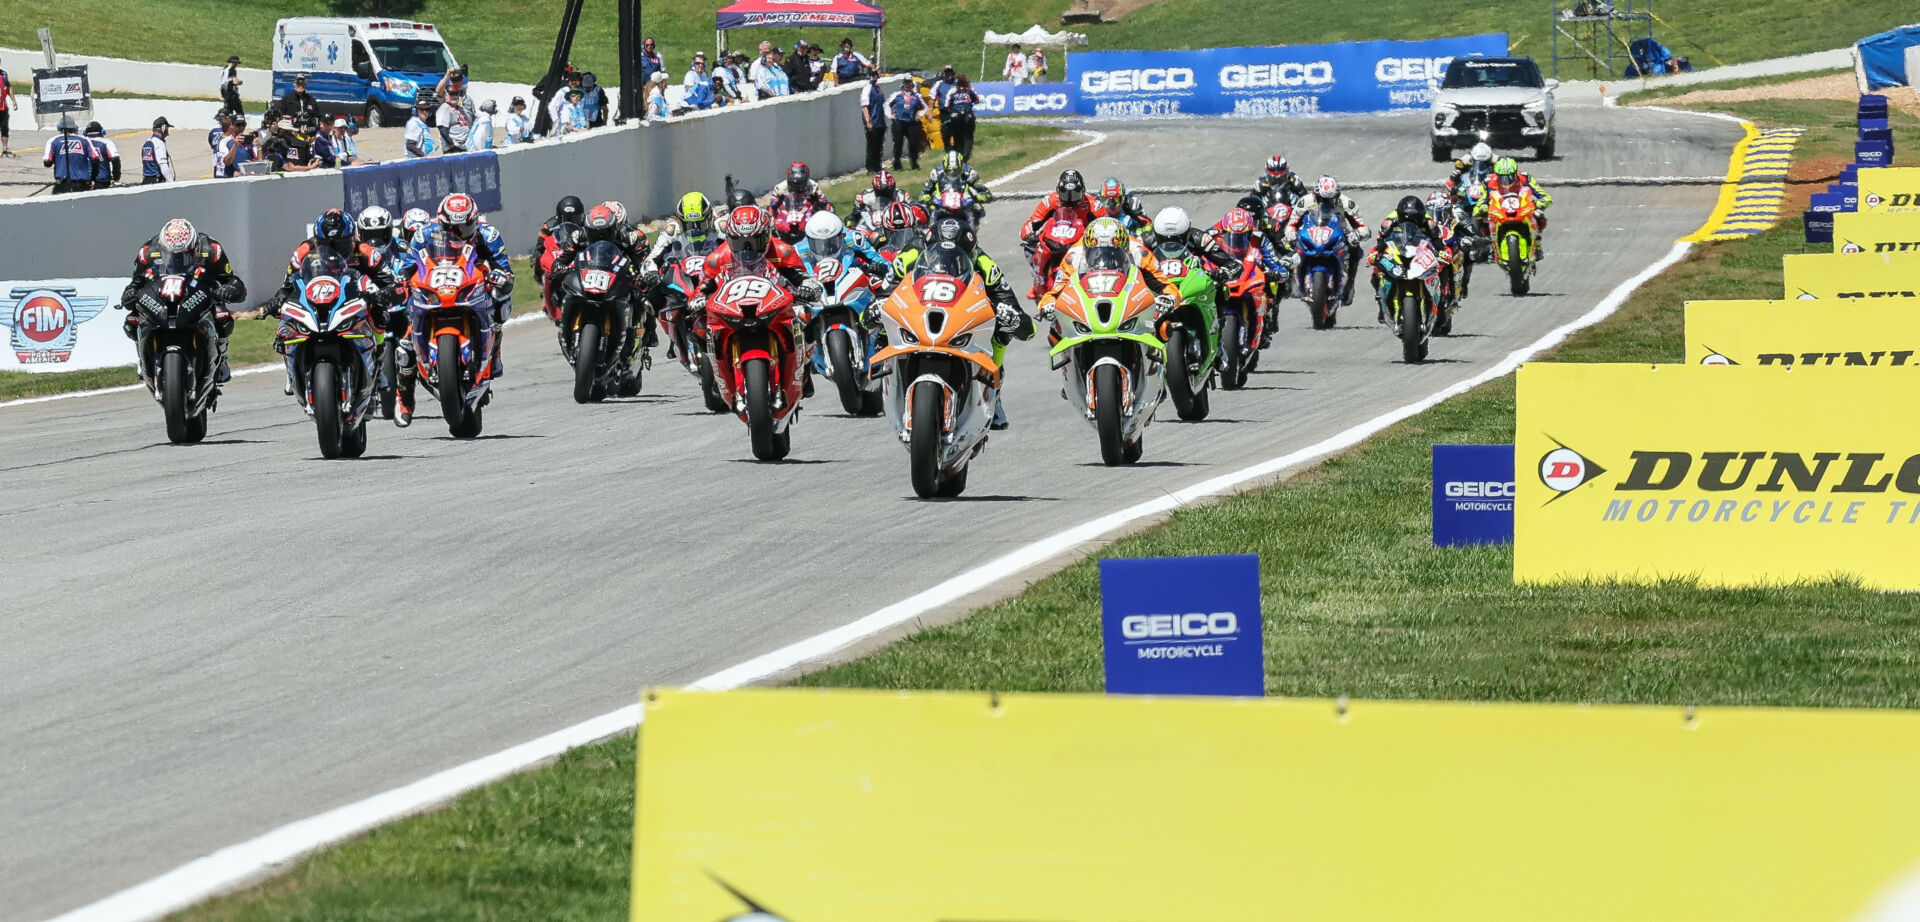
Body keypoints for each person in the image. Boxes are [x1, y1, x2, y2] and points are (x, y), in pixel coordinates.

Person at [885, 217, 1034, 428]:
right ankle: (887, 378)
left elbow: (1020, 317)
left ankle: (993, 389)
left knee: (1002, 328)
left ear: (972, 252)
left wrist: (1011, 316)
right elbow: (886, 287)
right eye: (938, 255)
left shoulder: (984, 263)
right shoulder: (911, 253)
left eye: (958, 256)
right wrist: (878, 305)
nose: (946, 261)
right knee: (881, 320)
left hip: (962, 316)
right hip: (921, 311)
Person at [121, 219, 247, 383]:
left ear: (194, 246)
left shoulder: (211, 249)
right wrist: (130, 292)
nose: (178, 259)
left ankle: (221, 356)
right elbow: (137, 280)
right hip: (162, 295)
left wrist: (230, 289)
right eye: (172, 255)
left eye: (184, 255)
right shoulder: (147, 251)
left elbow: (230, 279)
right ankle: (142, 357)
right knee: (132, 319)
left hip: (198, 293)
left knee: (223, 316)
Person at [1018, 169, 1108, 297]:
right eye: (1065, 195)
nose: (1070, 200)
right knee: (1031, 248)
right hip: (1055, 238)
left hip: (1082, 243)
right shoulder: (1050, 201)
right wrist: (1029, 234)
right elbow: (1032, 222)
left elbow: (1108, 225)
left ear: (1082, 191)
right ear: (1059, 191)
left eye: (1075, 195)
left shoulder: (1093, 204)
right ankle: (1039, 283)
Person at [1285, 174, 1371, 306]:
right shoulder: (1305, 202)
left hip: (1339, 234)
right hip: (1312, 233)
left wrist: (1357, 234)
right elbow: (1292, 224)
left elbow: (1362, 226)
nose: (1327, 202)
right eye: (1323, 199)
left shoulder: (1346, 203)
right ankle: (1295, 280)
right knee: (1290, 247)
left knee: (1356, 250)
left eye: (1331, 199)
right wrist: (1291, 234)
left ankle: (1349, 285)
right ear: (1316, 194)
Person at [1482, 156, 1553, 259]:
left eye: (1510, 176)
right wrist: (1482, 207)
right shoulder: (1489, 182)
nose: (1506, 180)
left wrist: (1540, 204)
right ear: (1497, 175)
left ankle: (1537, 243)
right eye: (1502, 177)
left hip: (1521, 205)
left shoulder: (1525, 178)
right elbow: (1482, 200)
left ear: (1515, 173)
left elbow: (1544, 195)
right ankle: (1492, 246)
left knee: (1539, 215)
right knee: (1482, 219)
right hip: (1500, 207)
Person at [43, 115, 99, 195]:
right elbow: (95, 159)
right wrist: (93, 179)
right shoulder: (84, 140)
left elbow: (47, 163)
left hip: (62, 184)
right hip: (82, 184)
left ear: (60, 128)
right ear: (74, 127)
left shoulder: (53, 140)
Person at [887, 79, 926, 171]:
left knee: (913, 144)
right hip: (899, 122)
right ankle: (897, 164)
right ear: (903, 84)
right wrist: (889, 115)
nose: (908, 85)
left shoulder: (916, 96)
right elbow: (886, 104)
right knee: (898, 144)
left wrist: (920, 115)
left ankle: (914, 163)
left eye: (910, 83)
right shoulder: (897, 95)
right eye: (906, 83)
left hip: (911, 122)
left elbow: (925, 107)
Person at [945, 76, 980, 161]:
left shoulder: (966, 90)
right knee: (964, 136)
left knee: (964, 135)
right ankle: (963, 154)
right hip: (961, 115)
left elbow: (947, 105)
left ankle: (964, 154)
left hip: (962, 115)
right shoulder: (967, 90)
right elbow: (977, 100)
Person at [437, 81, 478, 152]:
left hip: (463, 146)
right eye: (451, 94)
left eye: (456, 94)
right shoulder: (445, 108)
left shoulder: (459, 108)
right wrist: (451, 143)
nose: (454, 96)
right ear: (446, 95)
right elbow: (442, 128)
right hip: (453, 148)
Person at [859, 72, 888, 173]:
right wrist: (868, 121)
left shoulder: (878, 88)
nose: (874, 77)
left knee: (879, 145)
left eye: (876, 76)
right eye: (873, 75)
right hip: (873, 120)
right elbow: (864, 106)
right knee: (872, 145)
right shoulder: (867, 88)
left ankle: (877, 166)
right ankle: (871, 168)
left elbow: (881, 106)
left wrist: (884, 123)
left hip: (880, 120)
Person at [135, 118, 175, 185]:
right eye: (167, 128)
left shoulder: (147, 143)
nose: (167, 131)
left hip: (146, 181)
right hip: (156, 182)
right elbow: (163, 165)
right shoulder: (159, 143)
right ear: (163, 128)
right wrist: (171, 183)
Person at [83, 122, 121, 191]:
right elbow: (115, 159)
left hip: (84, 181)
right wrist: (116, 178)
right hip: (102, 182)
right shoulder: (106, 142)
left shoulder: (82, 142)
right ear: (102, 131)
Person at [931, 65, 959, 151]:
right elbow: (932, 97)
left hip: (955, 110)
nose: (948, 74)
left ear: (953, 72)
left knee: (956, 128)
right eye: (947, 72)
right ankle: (947, 147)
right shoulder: (939, 84)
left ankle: (958, 146)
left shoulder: (957, 83)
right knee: (945, 129)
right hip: (944, 111)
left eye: (950, 72)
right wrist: (930, 111)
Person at [0, 65, 14, 157]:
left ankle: (5, 149)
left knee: (4, 128)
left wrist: (13, 100)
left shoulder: (3, 74)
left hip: (3, 107)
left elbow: (9, 87)